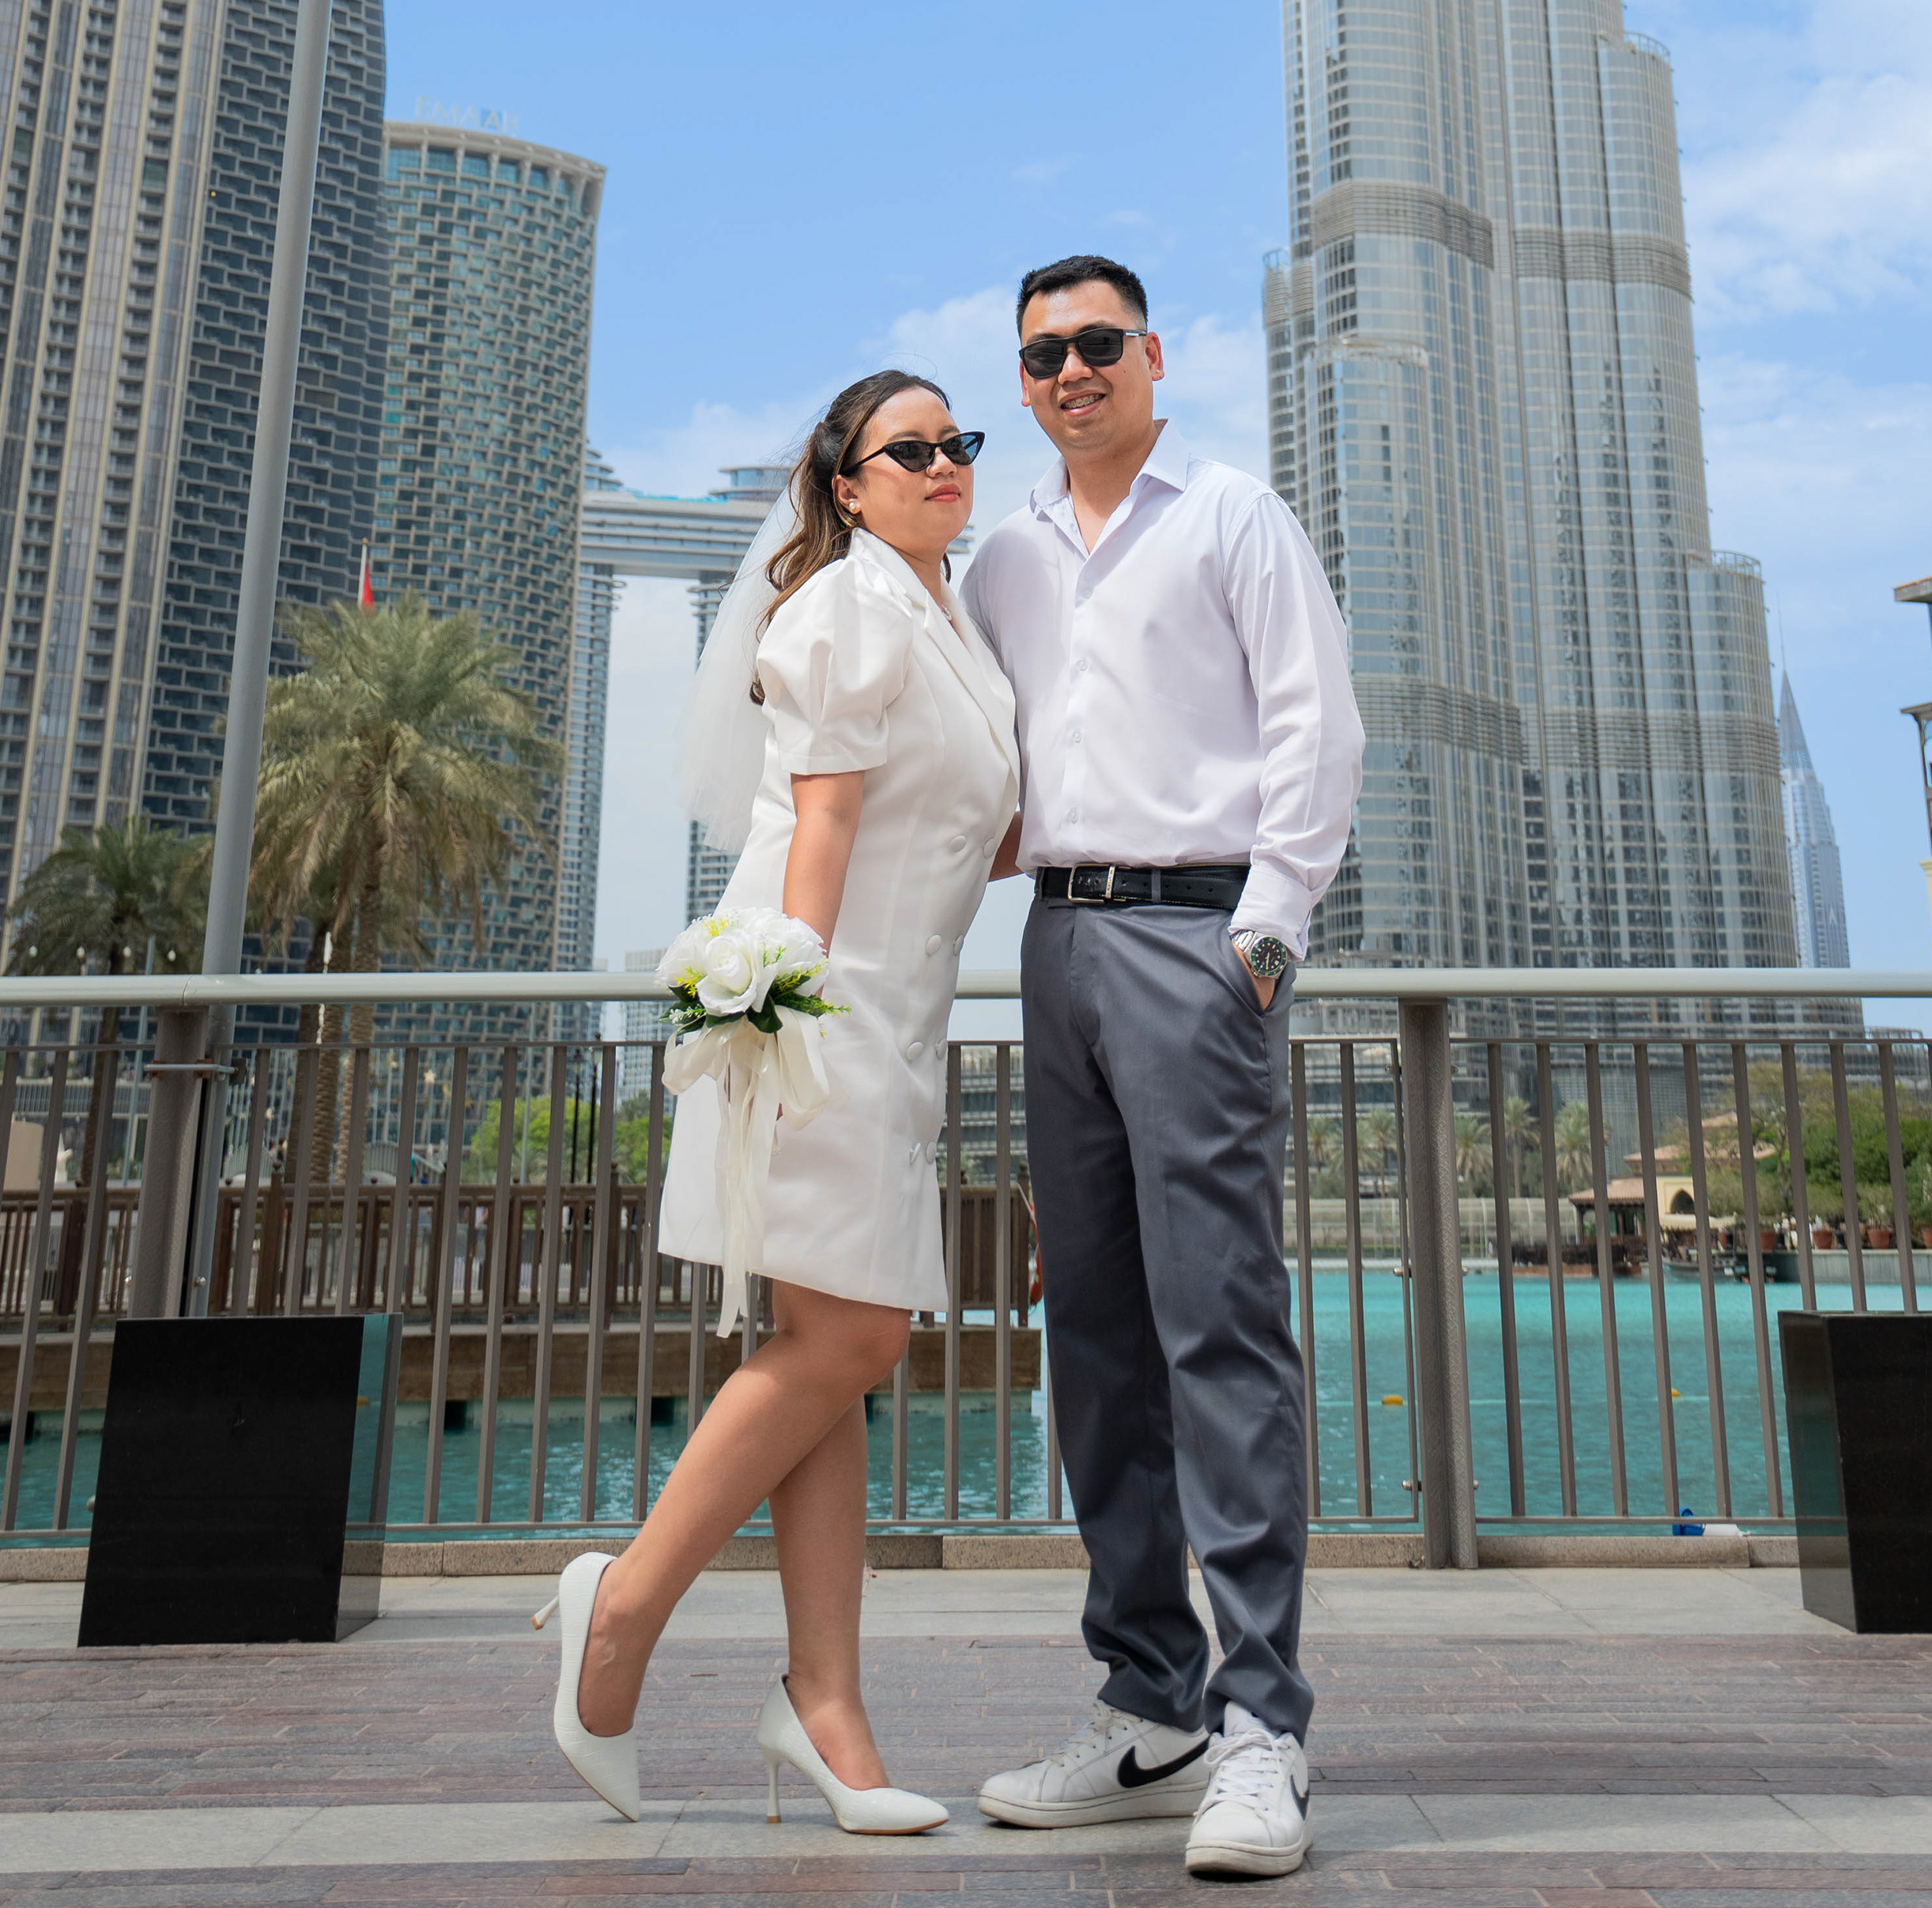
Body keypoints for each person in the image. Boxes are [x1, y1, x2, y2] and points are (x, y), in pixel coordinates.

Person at [536, 369, 1020, 1834]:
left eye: (957, 442)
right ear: (848, 485)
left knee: (831, 1346)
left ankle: (825, 1708)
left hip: (899, 1017)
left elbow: (966, 836)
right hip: (819, 1013)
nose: (942, 463)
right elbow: (824, 818)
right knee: (853, 1337)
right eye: (907, 449)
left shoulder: (951, 624)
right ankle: (622, 1607)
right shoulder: (843, 608)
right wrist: (786, 1001)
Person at [962, 255, 1363, 1882]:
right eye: (1043, 353)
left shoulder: (1234, 518)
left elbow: (1317, 726)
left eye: (1098, 342)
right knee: (1097, 1337)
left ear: (1152, 355)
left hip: (1196, 936)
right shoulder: (1003, 556)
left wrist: (1262, 938)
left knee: (1221, 1330)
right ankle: (1150, 1706)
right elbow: (971, 751)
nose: (1072, 369)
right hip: (1055, 943)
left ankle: (1263, 1726)